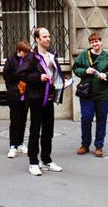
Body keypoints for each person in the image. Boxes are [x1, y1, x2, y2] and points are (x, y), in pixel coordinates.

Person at [17, 27, 65, 176]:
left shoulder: (52, 56)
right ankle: (33, 162)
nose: (48, 39)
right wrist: (38, 78)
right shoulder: (31, 57)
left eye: (49, 36)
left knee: (48, 131)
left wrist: (62, 82)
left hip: (49, 98)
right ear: (37, 39)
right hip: (36, 98)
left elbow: (55, 74)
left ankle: (46, 159)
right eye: (44, 36)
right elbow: (22, 74)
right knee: (35, 130)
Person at [72, 32, 108, 157]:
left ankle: (99, 146)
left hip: (103, 94)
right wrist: (85, 71)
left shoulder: (107, 57)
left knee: (101, 120)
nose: (95, 44)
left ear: (101, 42)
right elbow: (75, 68)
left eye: (96, 41)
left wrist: (107, 75)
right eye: (92, 42)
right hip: (86, 93)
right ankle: (85, 144)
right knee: (86, 118)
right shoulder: (84, 55)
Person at [3, 40, 31, 158]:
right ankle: (12, 145)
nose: (26, 54)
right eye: (24, 52)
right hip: (14, 94)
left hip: (25, 94)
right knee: (15, 120)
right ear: (19, 51)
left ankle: (20, 143)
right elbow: (6, 75)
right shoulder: (10, 60)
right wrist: (19, 76)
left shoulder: (28, 60)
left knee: (23, 120)